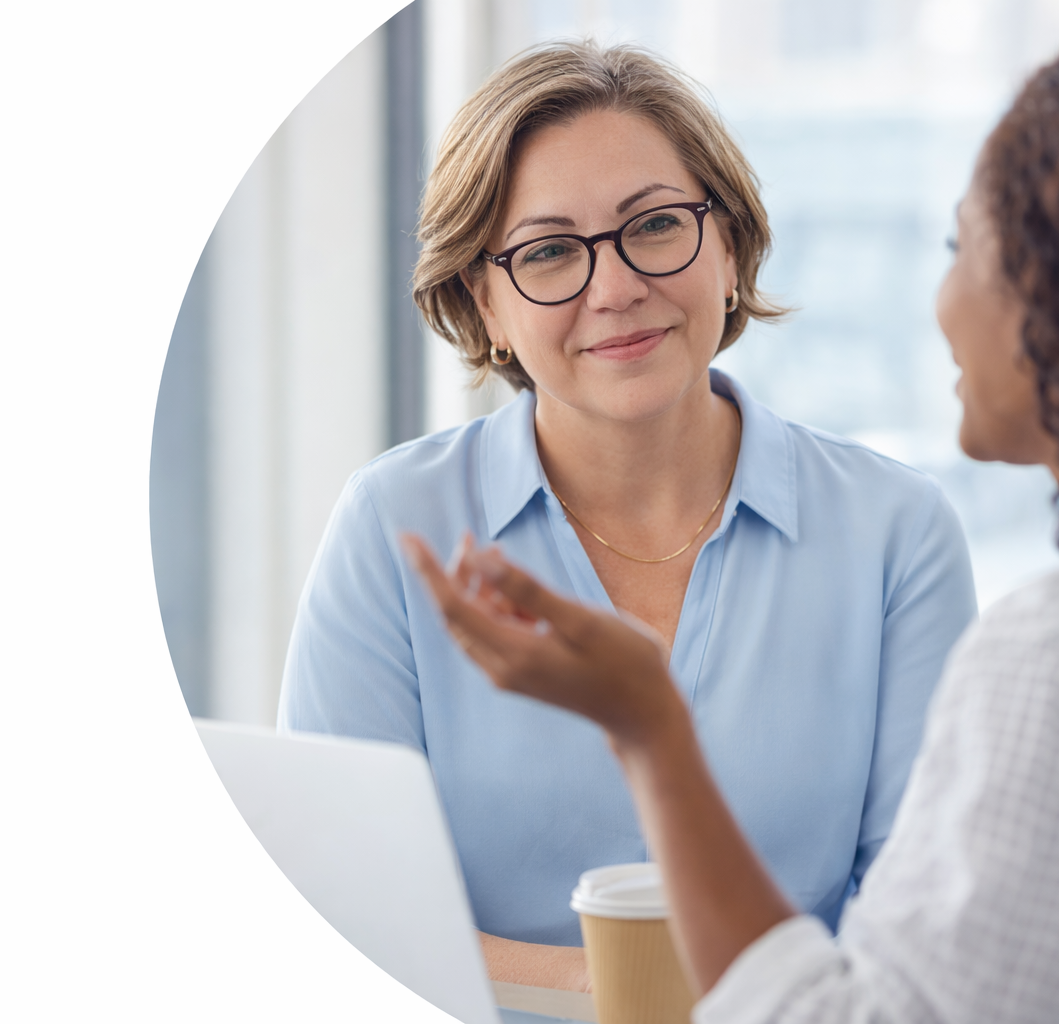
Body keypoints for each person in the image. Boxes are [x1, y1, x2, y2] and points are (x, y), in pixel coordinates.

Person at [404, 33, 1059, 1023]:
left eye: (966, 249)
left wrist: (653, 734)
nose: (941, 301)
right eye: (548, 252)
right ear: (481, 301)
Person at [277, 42, 977, 991]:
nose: (614, 288)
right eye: (550, 251)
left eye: (653, 227)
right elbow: (341, 916)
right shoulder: (392, 525)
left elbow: (923, 929)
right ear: (484, 304)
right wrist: (634, 991)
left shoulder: (897, 532)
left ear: (727, 248)